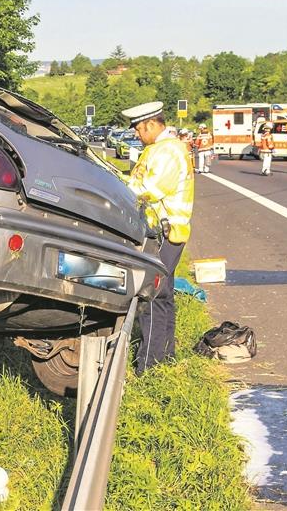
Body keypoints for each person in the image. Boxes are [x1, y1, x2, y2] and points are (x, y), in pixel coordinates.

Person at [120, 101, 195, 373]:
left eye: (139, 130)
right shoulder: (160, 149)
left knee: (150, 296)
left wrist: (121, 190)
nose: (138, 136)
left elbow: (150, 188)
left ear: (151, 124)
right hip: (166, 231)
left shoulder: (167, 151)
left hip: (163, 233)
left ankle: (148, 365)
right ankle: (165, 357)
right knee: (163, 295)